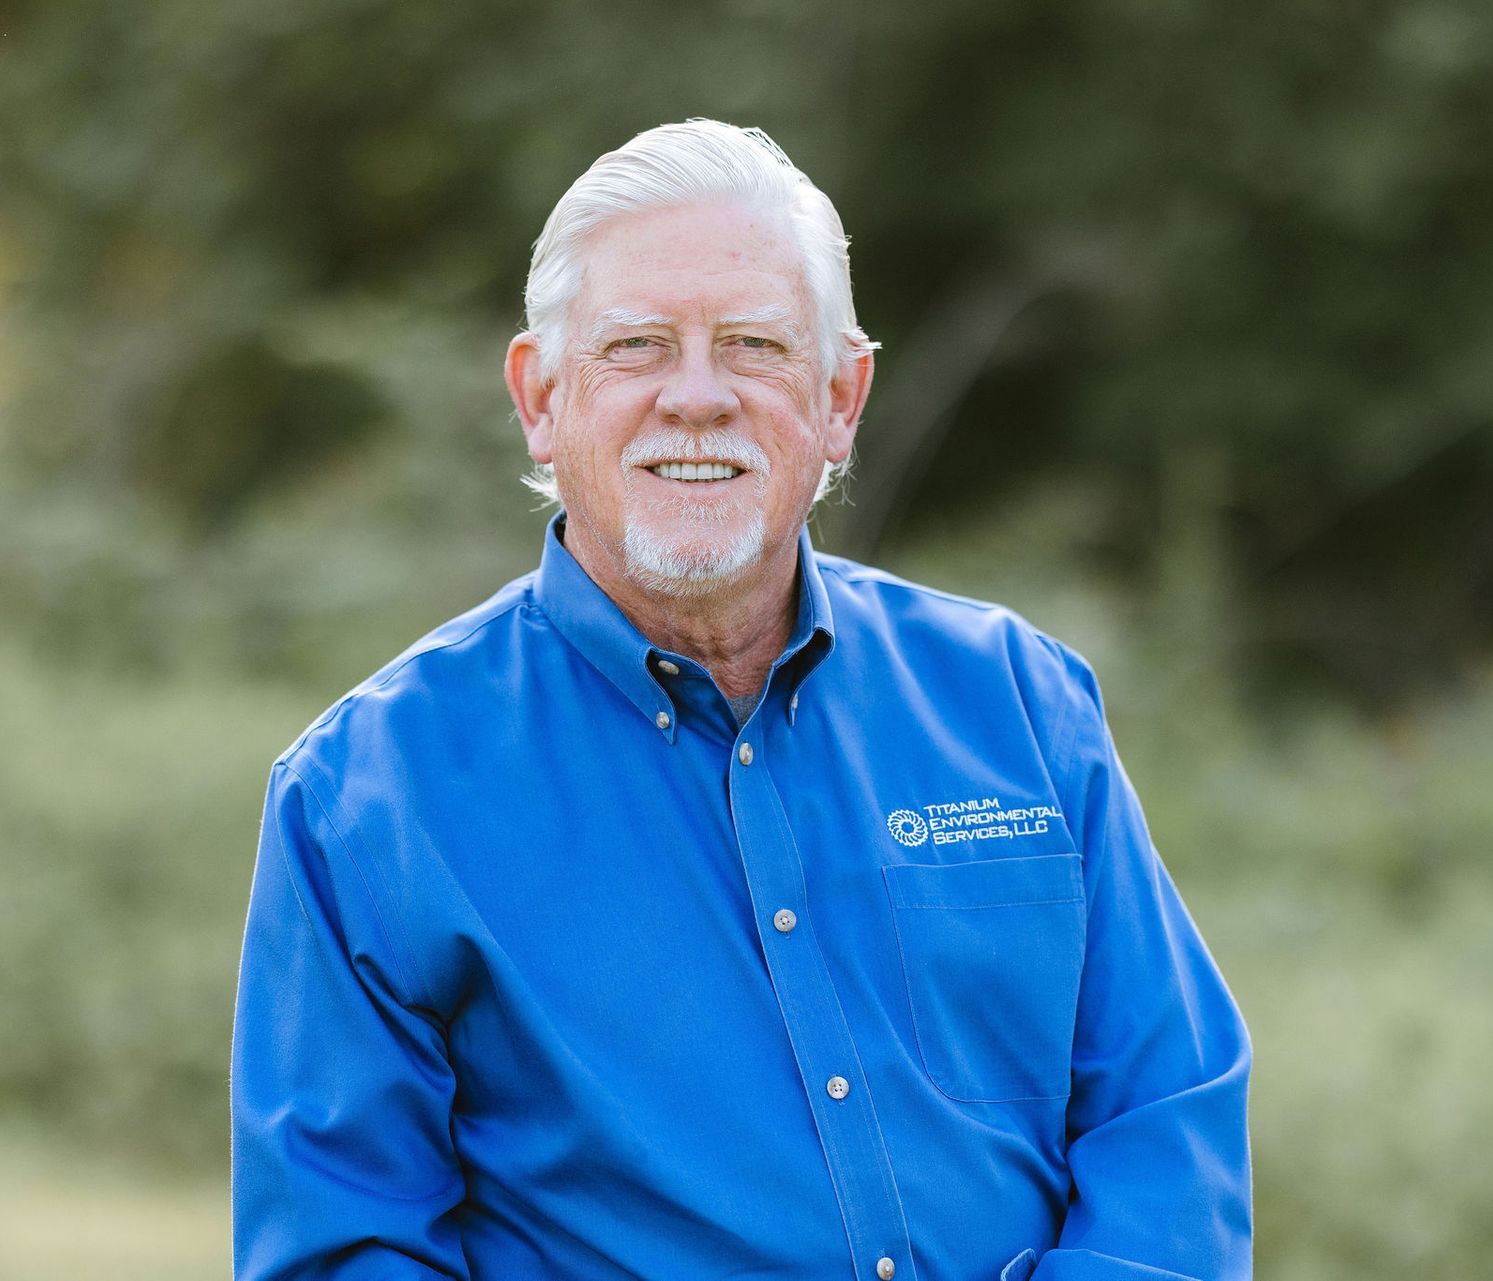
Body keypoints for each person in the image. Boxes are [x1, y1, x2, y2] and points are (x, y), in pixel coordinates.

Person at [231, 119, 1251, 1281]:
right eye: (638, 347)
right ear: (541, 396)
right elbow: (347, 1249)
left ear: (840, 399)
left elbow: (1168, 1112)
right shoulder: (368, 794)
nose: (698, 397)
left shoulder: (1019, 704)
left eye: (756, 346)